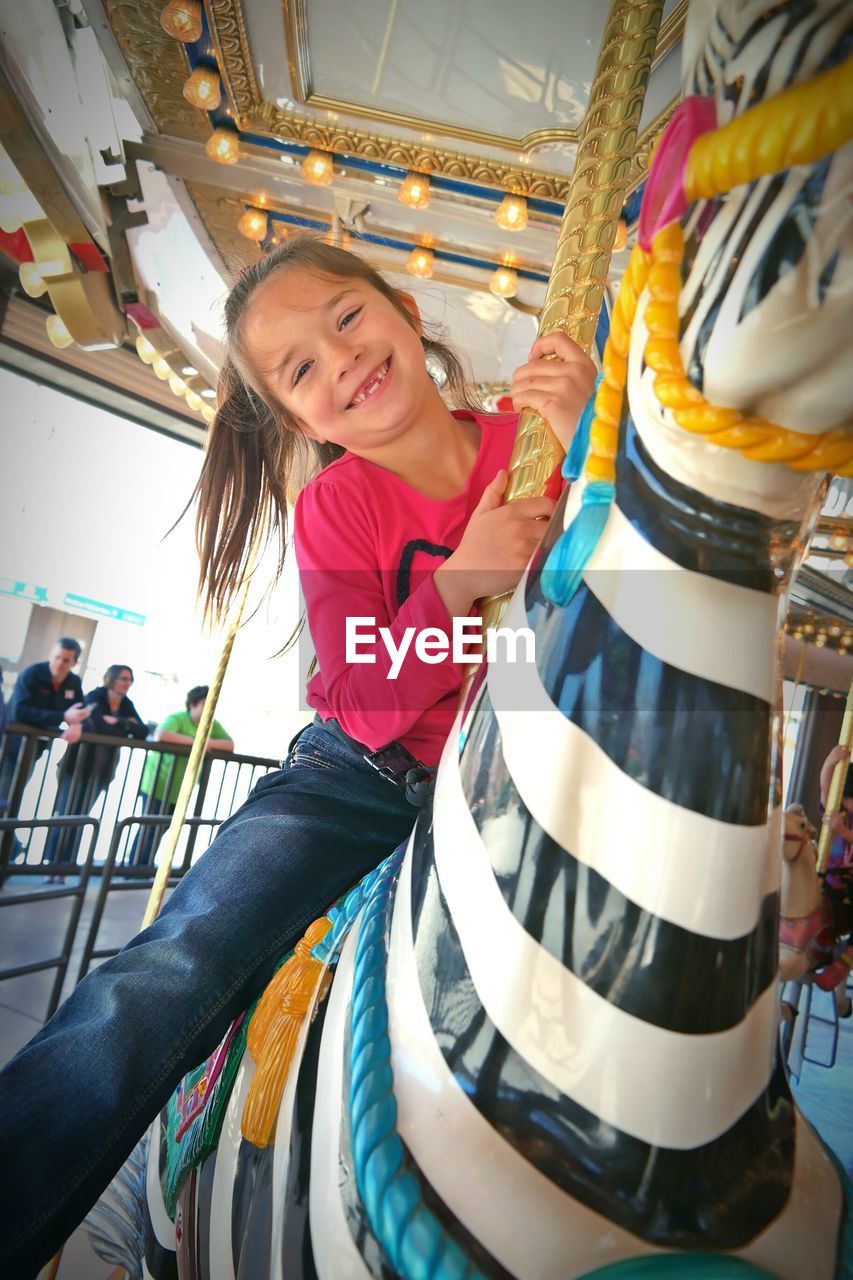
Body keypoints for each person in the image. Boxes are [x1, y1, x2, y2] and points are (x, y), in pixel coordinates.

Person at [0, 237, 595, 1276]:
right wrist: (456, 583)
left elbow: (606, 612)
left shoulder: (533, 443)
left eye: (347, 318)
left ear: (403, 309)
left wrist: (595, 436)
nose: (342, 361)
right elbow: (357, 691)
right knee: (175, 961)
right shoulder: (339, 506)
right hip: (363, 778)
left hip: (516, 772)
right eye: (302, 370)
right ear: (297, 419)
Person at [42, 664, 148, 876]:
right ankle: (51, 865)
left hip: (102, 771)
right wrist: (126, 727)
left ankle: (67, 867)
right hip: (76, 767)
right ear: (112, 679)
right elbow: (96, 726)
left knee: (83, 817)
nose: (127, 683)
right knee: (66, 814)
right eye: (124, 678)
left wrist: (118, 721)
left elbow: (142, 732)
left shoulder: (126, 705)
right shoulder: (94, 696)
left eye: (130, 679)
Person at [0, 638, 92, 871]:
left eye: (66, 660)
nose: (59, 663)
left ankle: (6, 855)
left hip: (33, 752)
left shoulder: (73, 682)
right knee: (4, 800)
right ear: (51, 655)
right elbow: (19, 711)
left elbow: (80, 712)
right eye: (57, 657)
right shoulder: (32, 674)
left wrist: (76, 724)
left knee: (12, 802)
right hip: (9, 748)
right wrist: (63, 717)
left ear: (75, 662)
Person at [128, 685, 233, 867]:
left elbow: (229, 744)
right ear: (192, 704)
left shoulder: (212, 724)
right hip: (157, 782)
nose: (210, 707)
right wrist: (198, 743)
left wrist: (206, 742)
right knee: (148, 825)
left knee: (164, 826)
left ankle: (144, 866)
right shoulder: (178, 718)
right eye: (205, 703)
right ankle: (133, 866)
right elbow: (162, 734)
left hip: (180, 787)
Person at [819, 743, 853, 898]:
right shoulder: (842, 813)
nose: (850, 804)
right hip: (827, 877)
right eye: (847, 799)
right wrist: (829, 763)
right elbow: (827, 792)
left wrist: (843, 831)